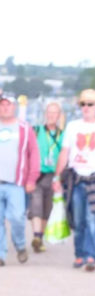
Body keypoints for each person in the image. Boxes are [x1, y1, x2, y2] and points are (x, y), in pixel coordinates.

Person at [53, 89, 95, 271]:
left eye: (90, 104)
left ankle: (91, 256)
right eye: (83, 104)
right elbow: (64, 153)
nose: (86, 107)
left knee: (92, 220)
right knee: (78, 220)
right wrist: (56, 176)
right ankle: (79, 254)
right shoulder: (72, 127)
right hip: (76, 179)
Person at [0, 93, 40, 266]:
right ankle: (1, 255)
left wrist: (31, 179)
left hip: (16, 183)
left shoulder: (24, 128)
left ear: (14, 106)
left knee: (17, 217)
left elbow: (34, 154)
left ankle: (20, 245)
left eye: (9, 104)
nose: (5, 107)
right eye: (2, 104)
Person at [29, 102, 64, 253]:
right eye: (49, 112)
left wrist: (60, 177)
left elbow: (65, 157)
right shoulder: (36, 131)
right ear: (45, 114)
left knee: (47, 209)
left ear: (59, 116)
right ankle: (36, 236)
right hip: (37, 174)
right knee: (36, 205)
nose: (51, 115)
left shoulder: (63, 135)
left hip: (54, 176)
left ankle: (40, 237)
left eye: (54, 113)